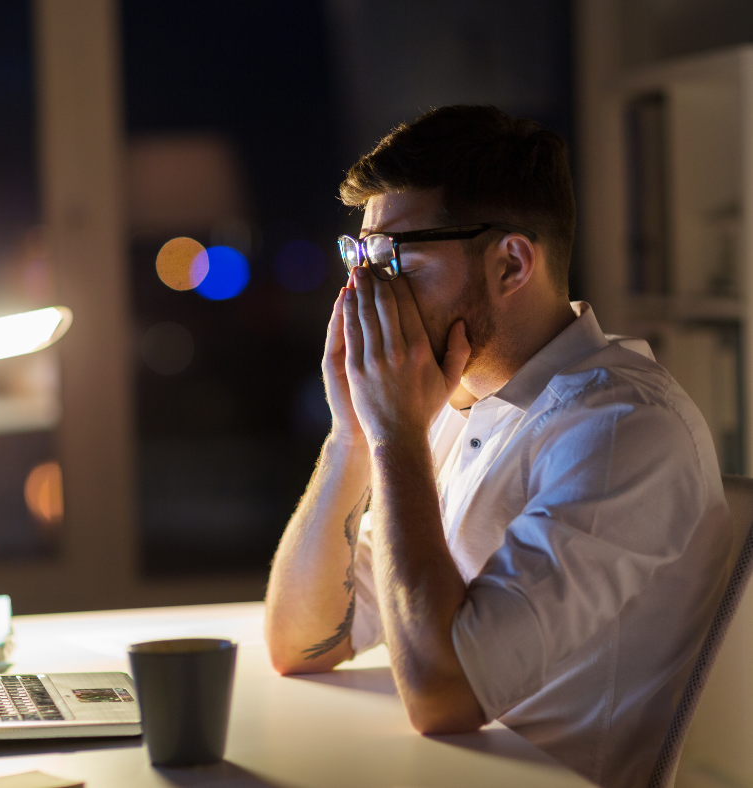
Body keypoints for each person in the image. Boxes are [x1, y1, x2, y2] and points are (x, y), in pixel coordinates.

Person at [264, 105, 734, 788]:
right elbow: (302, 642)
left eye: (392, 256)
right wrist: (353, 434)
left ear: (511, 263)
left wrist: (396, 435)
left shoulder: (620, 431)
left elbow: (442, 698)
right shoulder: (457, 403)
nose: (364, 288)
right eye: (359, 255)